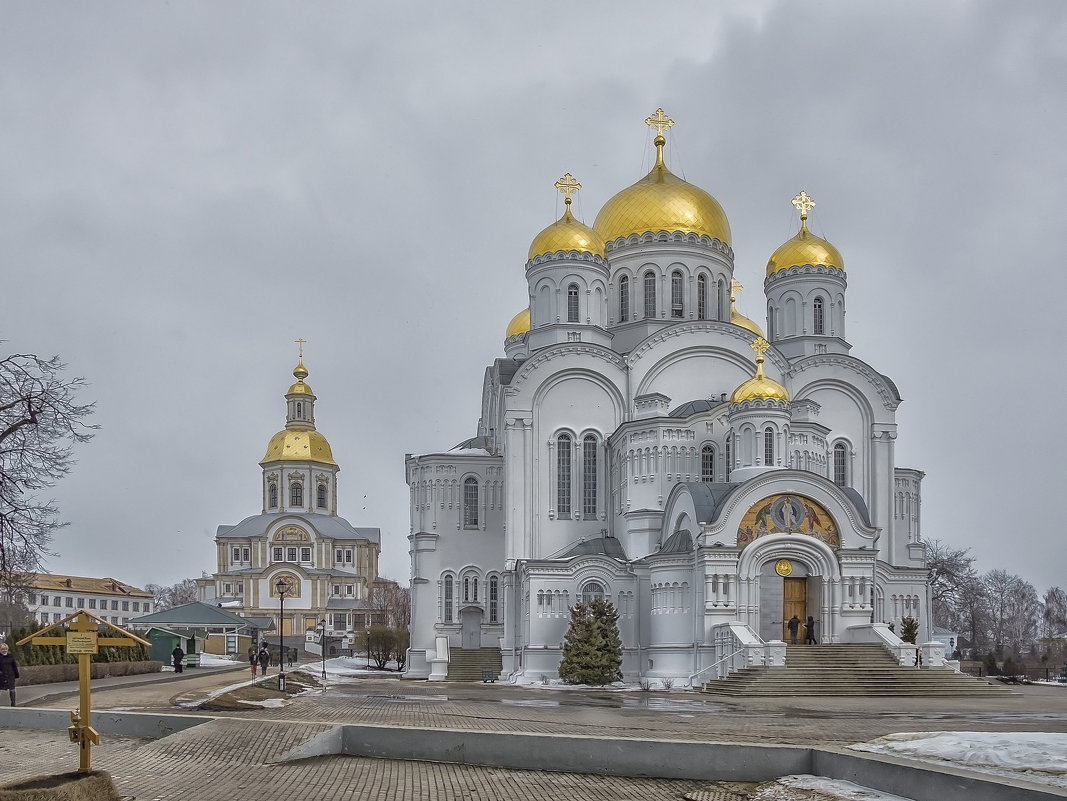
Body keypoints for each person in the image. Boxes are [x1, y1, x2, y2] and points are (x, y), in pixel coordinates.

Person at [0, 642, 19, 707]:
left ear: (7, 649)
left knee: (12, 689)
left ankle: (13, 703)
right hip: (1, 676)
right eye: (2, 649)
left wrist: (16, 675)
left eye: (5, 649)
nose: (4, 650)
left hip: (10, 675)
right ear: (0, 649)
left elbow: (14, 666)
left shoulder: (11, 656)